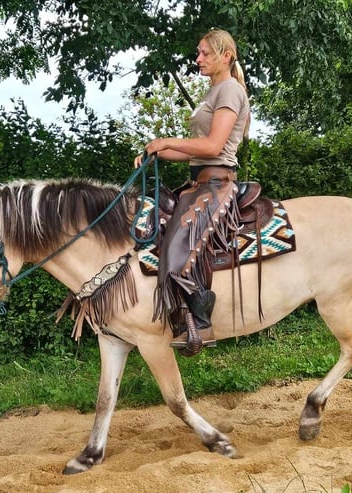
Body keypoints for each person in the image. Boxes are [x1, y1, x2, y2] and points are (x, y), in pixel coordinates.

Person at [134, 28, 251, 355]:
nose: (198, 59)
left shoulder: (229, 90)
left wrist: (167, 141)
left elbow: (214, 145)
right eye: (198, 53)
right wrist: (154, 154)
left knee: (175, 250)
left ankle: (200, 317)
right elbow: (194, 152)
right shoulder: (213, 92)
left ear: (225, 56)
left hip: (217, 183)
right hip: (198, 181)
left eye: (205, 53)